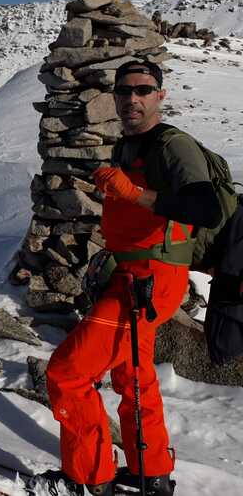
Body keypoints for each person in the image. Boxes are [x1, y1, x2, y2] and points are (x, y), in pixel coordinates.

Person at [32, 60, 223, 496]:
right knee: (132, 377)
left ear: (161, 94)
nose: (132, 98)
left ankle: (88, 480)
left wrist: (133, 193)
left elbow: (205, 209)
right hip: (133, 274)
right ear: (115, 96)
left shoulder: (173, 146)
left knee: (67, 373)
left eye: (143, 89)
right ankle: (150, 475)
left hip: (152, 278)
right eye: (124, 91)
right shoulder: (129, 146)